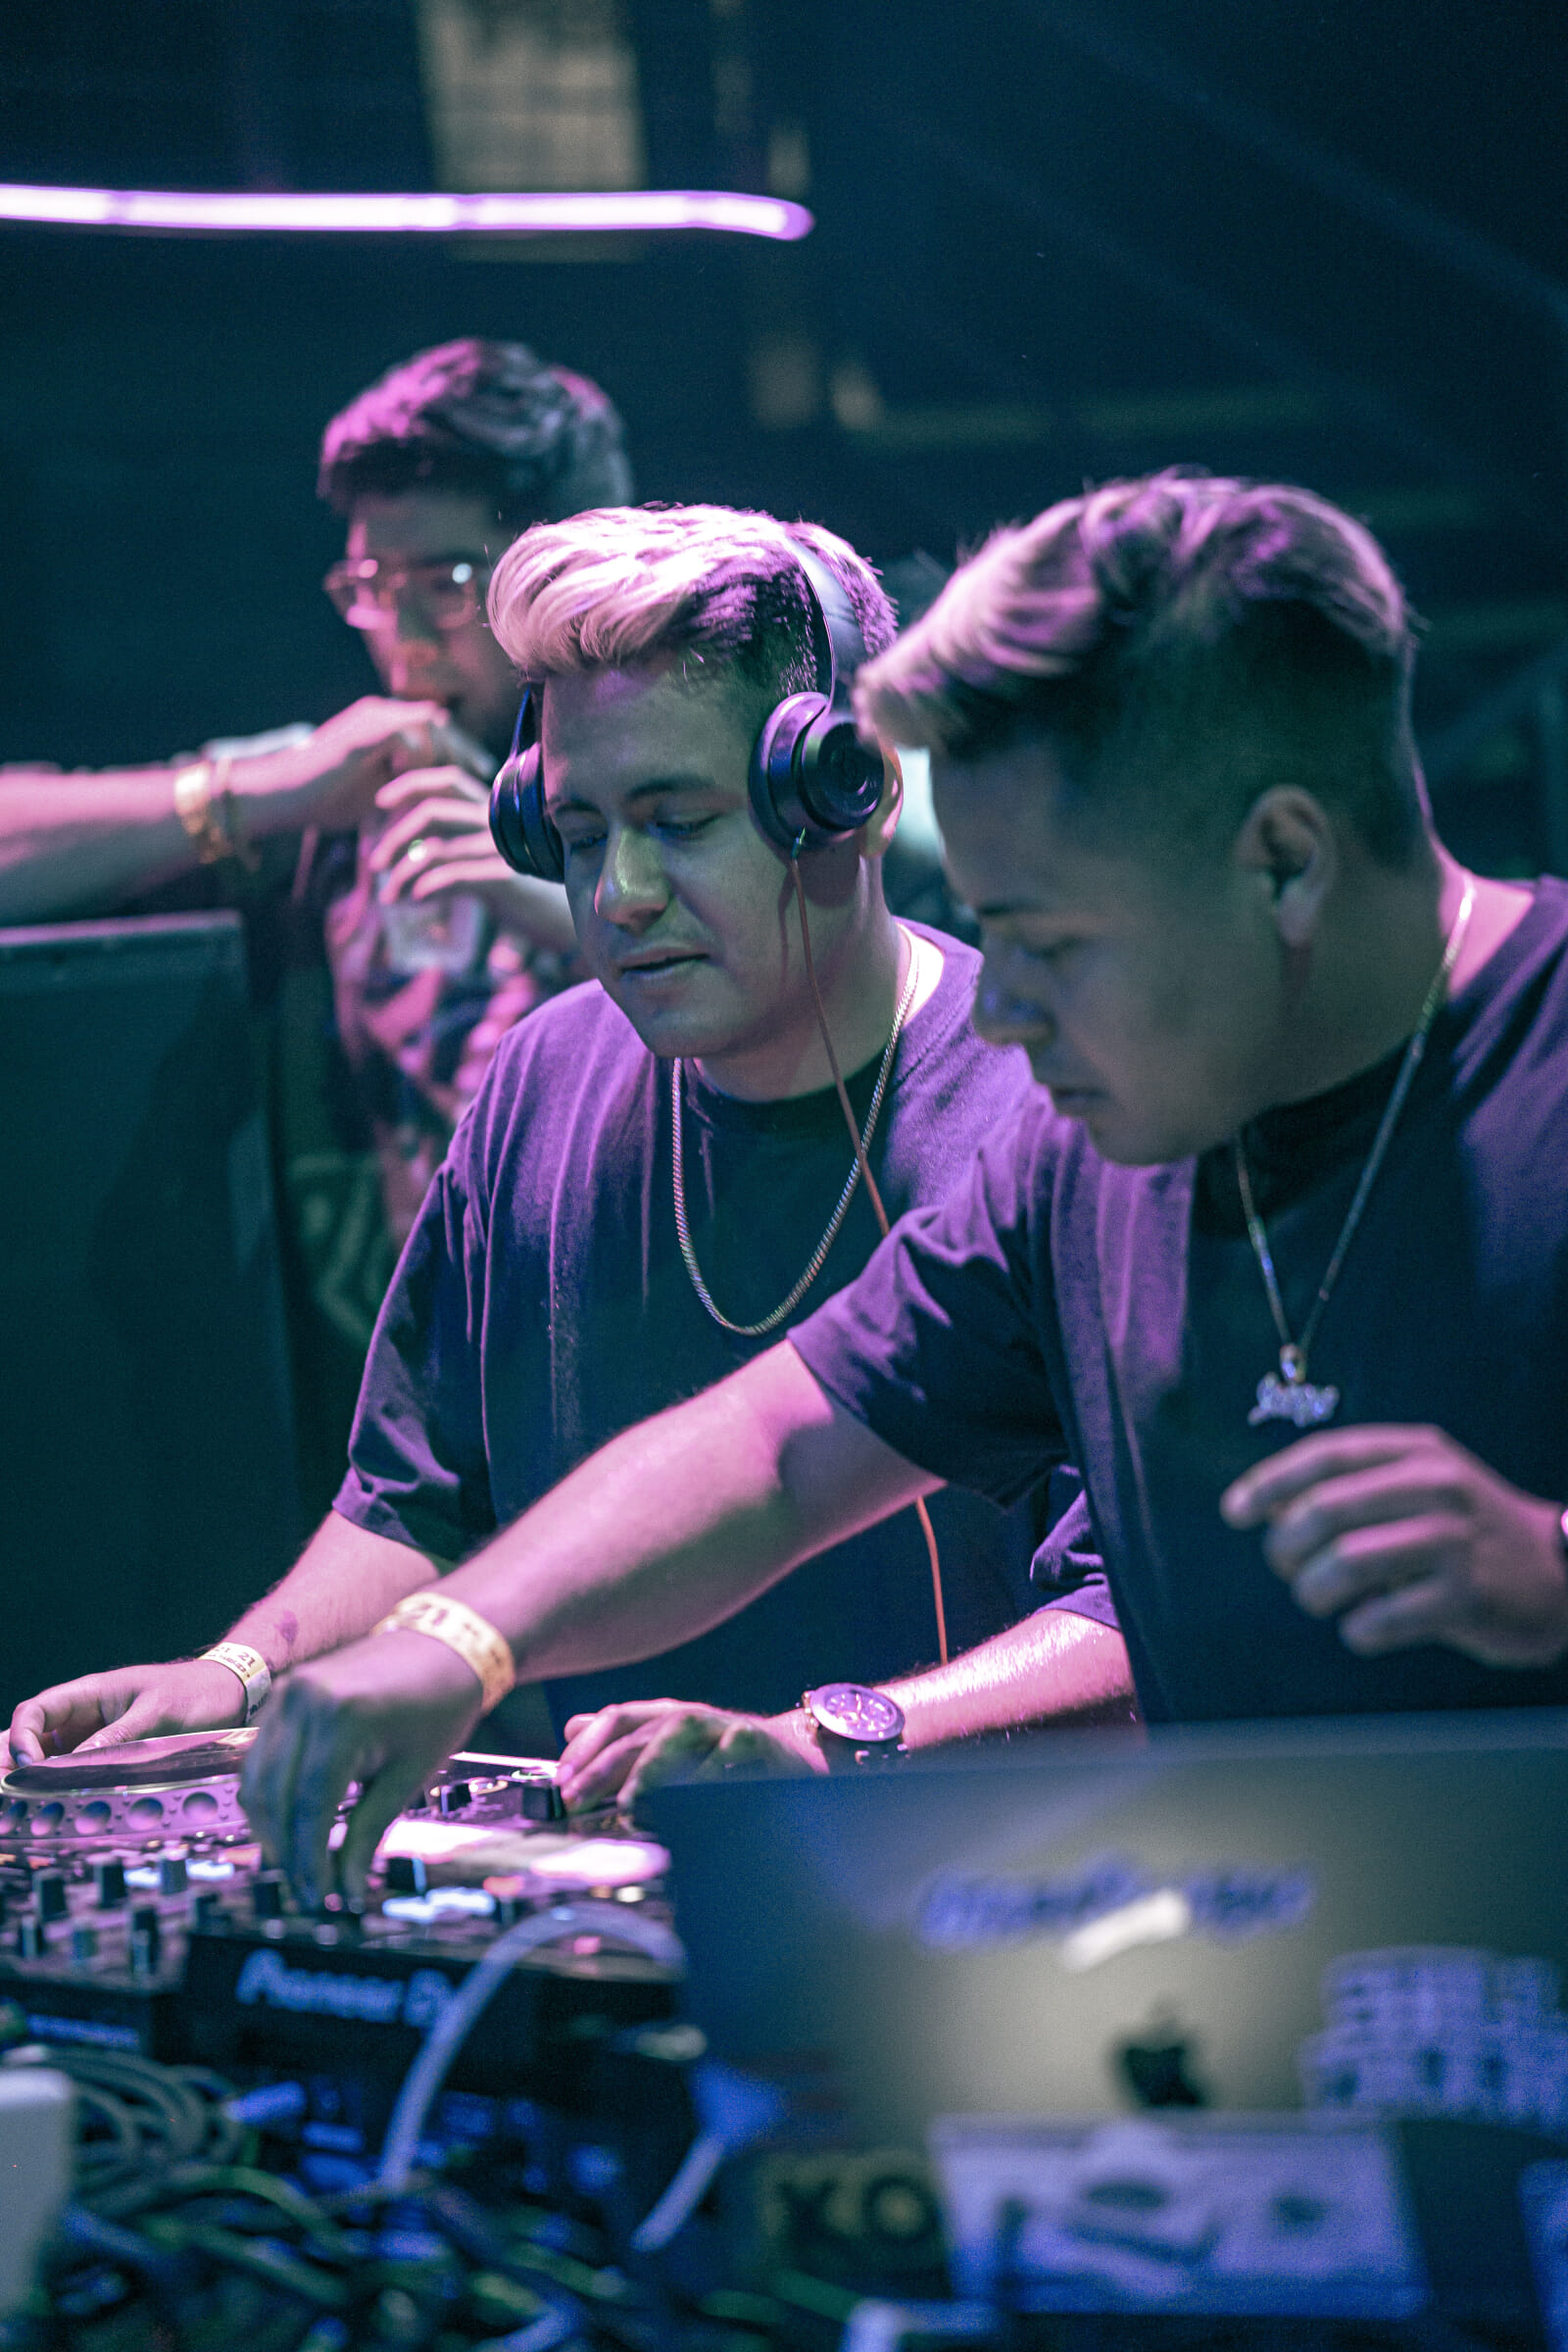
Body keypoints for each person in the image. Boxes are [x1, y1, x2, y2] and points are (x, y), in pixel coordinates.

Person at [173, 466, 1568, 1907]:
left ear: (1282, 859)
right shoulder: (1100, 1146)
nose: (1003, 1008)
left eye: (1050, 942)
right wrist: (454, 1644)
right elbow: (780, 1443)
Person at [7, 504, 1134, 1823]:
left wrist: (818, 1748)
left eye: (679, 820)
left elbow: (1144, 1611)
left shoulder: (1062, 1108)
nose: (618, 894)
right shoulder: (542, 1081)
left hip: (992, 1885)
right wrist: (240, 1675)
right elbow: (420, 1501)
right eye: (582, 834)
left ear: (848, 794)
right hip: (604, 1895)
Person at [0, 339, 624, 1507]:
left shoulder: (688, 791)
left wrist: (558, 911)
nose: (403, 638)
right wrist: (254, 795)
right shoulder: (331, 793)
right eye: (370, 588)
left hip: (653, 1424)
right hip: (416, 1476)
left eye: (444, 582)